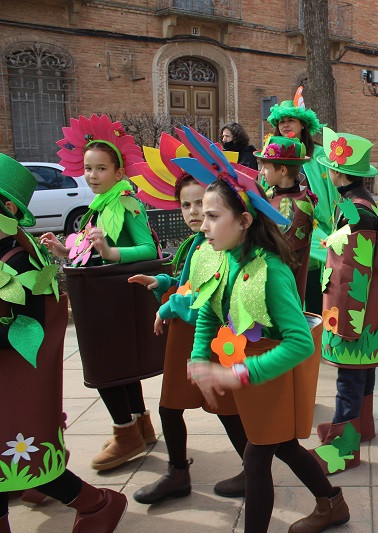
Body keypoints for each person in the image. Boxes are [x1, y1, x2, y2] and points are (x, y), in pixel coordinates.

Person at [178, 126, 349, 532]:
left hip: (273, 373)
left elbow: (299, 343)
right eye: (203, 214)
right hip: (250, 373)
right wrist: (200, 357)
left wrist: (238, 373)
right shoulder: (222, 258)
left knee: (258, 457)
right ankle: (332, 502)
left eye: (214, 216)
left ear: (244, 220)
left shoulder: (270, 271)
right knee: (284, 447)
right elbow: (208, 310)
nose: (203, 224)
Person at [0, 153, 127, 532]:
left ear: (8, 208)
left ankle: (97, 503)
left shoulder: (22, 263)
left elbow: (28, 332)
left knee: (31, 462)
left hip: (15, 390)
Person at [126, 130, 249, 503]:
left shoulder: (217, 243)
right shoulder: (197, 241)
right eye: (186, 206)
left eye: (202, 206)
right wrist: (163, 280)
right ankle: (179, 473)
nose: (194, 214)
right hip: (188, 337)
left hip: (208, 336)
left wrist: (166, 305)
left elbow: (201, 298)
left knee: (224, 407)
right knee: (172, 407)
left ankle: (251, 469)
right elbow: (188, 282)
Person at [41, 114, 166, 472]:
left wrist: (112, 253)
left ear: (118, 172)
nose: (92, 176)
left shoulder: (126, 203)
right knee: (122, 368)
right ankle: (140, 427)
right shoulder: (98, 206)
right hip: (103, 298)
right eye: (88, 168)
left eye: (101, 169)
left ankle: (124, 434)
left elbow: (149, 251)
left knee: (107, 368)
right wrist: (65, 253)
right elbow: (88, 253)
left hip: (117, 300)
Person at [310, 128, 378, 475]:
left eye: (329, 167)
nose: (327, 172)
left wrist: (345, 323)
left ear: (338, 173)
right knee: (362, 372)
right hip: (369, 303)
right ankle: (361, 427)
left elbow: (350, 274)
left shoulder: (356, 212)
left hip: (354, 308)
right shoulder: (362, 203)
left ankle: (344, 449)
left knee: (349, 377)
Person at [267, 91, 335, 315]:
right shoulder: (270, 155)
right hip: (282, 233)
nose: (285, 125)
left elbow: (332, 193)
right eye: (281, 122)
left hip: (318, 234)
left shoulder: (319, 155)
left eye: (291, 120)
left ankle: (315, 335)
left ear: (303, 125)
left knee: (314, 289)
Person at [256, 135, 316, 301]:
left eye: (265, 167)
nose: (261, 172)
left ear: (282, 170)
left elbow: (285, 255)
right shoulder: (268, 193)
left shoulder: (300, 205)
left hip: (280, 289)